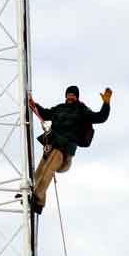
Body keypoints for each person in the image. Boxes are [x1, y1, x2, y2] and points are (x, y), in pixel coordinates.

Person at [29, 85, 112, 214]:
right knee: (40, 170)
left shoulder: (81, 110)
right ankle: (38, 202)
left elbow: (100, 117)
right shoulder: (59, 109)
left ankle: (37, 195)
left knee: (50, 164)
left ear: (77, 97)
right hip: (53, 146)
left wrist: (106, 104)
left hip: (64, 153)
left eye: (73, 95)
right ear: (65, 95)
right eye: (69, 94)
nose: (70, 96)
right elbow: (45, 114)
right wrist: (33, 104)